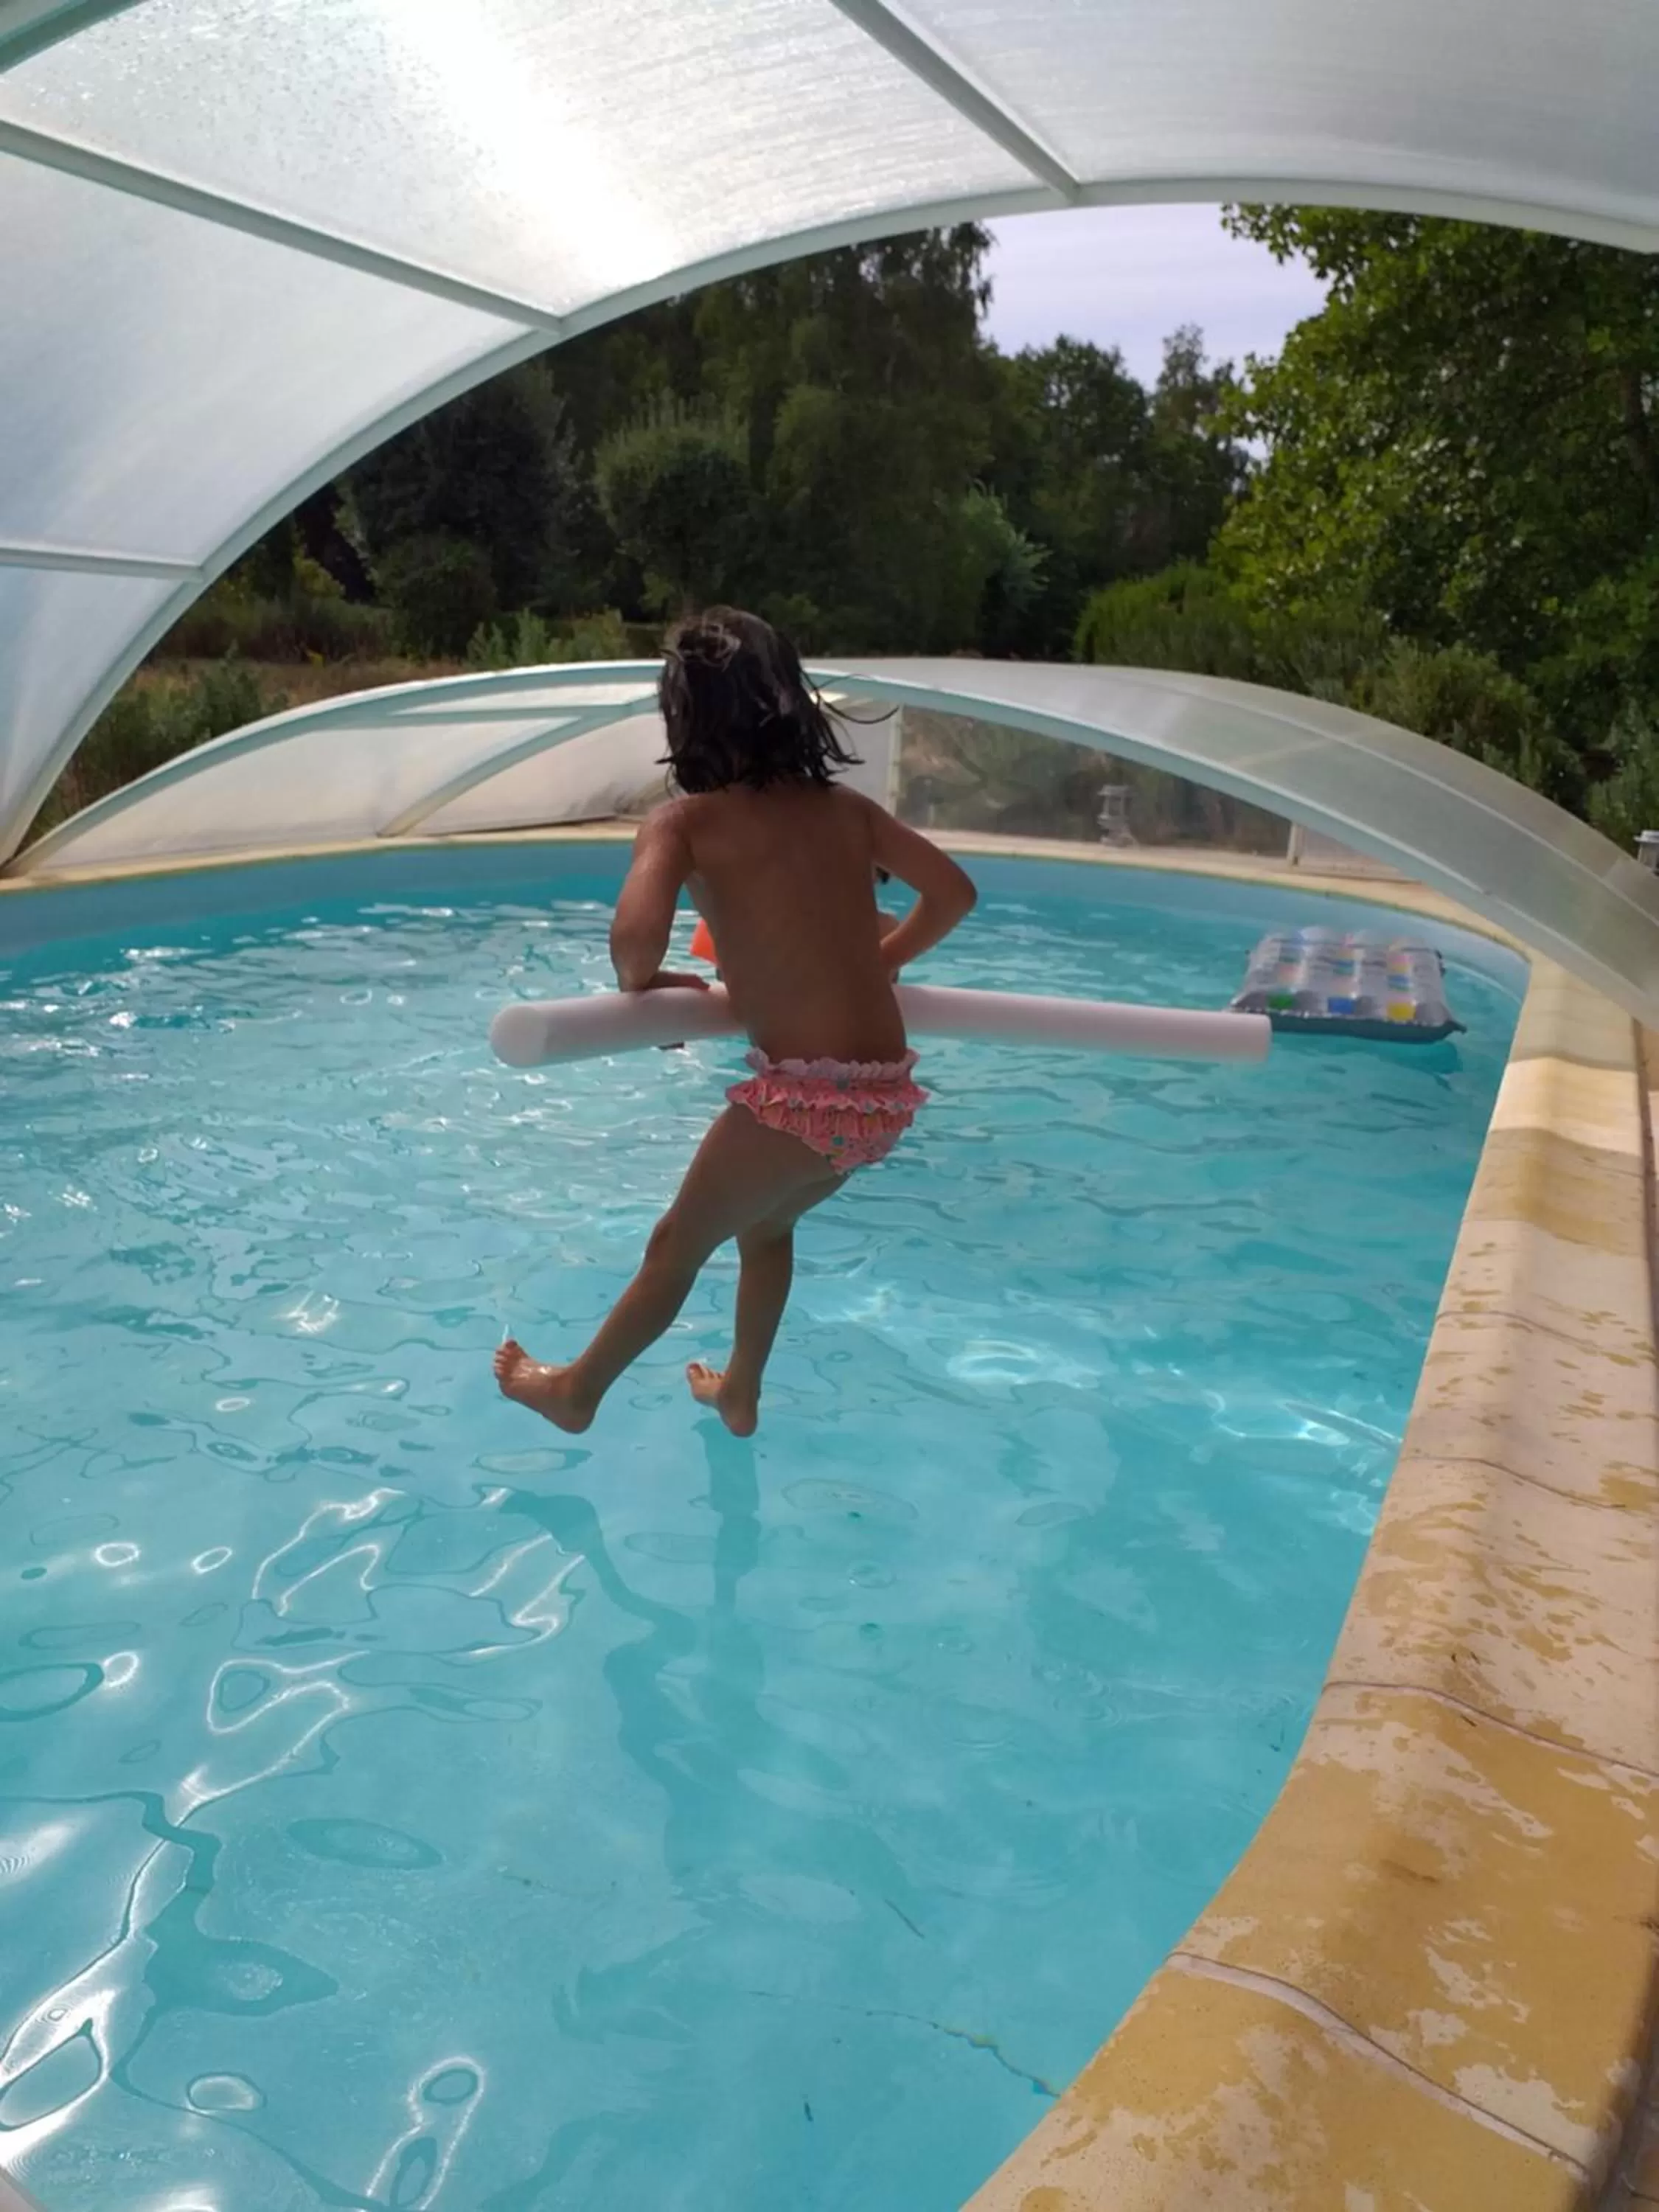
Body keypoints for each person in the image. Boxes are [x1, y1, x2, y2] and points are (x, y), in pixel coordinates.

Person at [494, 606, 976, 1438]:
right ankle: (741, 1389)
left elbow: (633, 943)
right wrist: (887, 955)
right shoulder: (846, 812)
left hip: (804, 1101)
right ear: (793, 701)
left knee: (675, 1243)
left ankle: (577, 1391)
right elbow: (955, 893)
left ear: (681, 717)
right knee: (767, 1226)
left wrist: (650, 983)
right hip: (885, 1102)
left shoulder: (684, 823)